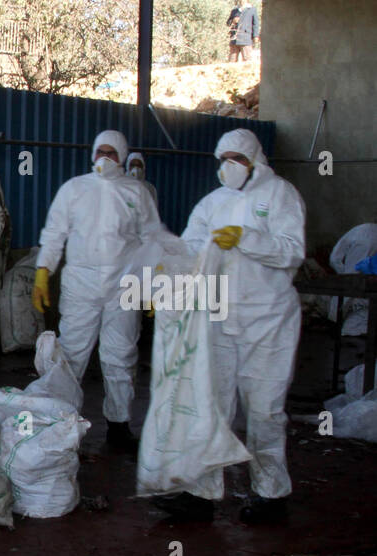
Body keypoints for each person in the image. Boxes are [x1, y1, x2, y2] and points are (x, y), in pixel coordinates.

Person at [153, 128, 305, 524]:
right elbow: (188, 249)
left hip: (268, 319)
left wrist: (248, 238)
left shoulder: (281, 195)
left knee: (265, 411)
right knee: (211, 407)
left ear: (255, 159)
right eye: (223, 159)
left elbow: (293, 251)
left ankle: (271, 494)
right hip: (219, 316)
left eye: (236, 158)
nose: (228, 166)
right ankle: (199, 494)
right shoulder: (212, 202)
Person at [31, 130, 164, 449]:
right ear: (92, 154)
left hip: (125, 284)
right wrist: (42, 272)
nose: (105, 158)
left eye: (112, 153)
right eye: (100, 152)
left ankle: (119, 425)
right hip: (82, 283)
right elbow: (54, 234)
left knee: (121, 356)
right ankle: (62, 420)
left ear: (122, 156)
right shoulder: (74, 189)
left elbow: (152, 240)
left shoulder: (138, 192)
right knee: (72, 353)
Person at [327, 221, 377, 335]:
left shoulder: (360, 230)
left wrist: (343, 272)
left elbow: (334, 258)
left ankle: (333, 322)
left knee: (347, 291)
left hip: (357, 286)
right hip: (364, 289)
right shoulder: (365, 232)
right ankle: (336, 322)